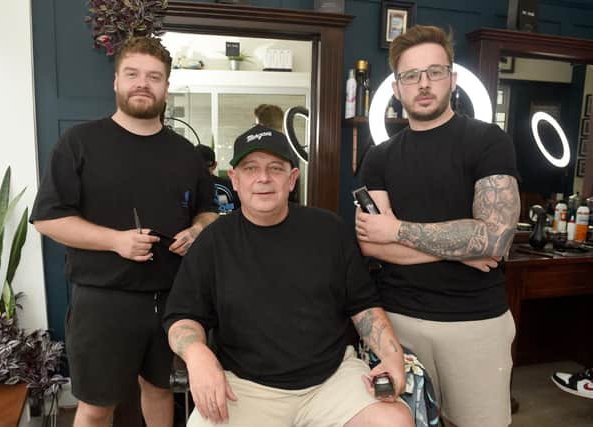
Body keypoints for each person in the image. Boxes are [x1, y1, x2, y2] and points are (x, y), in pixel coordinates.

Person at [164, 124, 413, 427]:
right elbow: (182, 318)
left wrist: (392, 356)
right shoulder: (212, 242)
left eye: (276, 168)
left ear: (292, 179)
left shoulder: (329, 231)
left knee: (394, 421)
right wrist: (196, 355)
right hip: (245, 387)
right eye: (250, 168)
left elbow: (364, 307)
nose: (263, 178)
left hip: (331, 380)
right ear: (235, 180)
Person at [30, 36, 217, 427]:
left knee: (160, 390)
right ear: (116, 82)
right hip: (102, 302)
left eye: (154, 76)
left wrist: (198, 230)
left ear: (166, 87)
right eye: (132, 74)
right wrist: (115, 241)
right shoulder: (79, 143)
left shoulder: (186, 152)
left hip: (171, 302)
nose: (142, 83)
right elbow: (48, 218)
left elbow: (209, 212)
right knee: (97, 407)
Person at [355, 25, 520, 427]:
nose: (423, 84)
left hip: (476, 324)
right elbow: (370, 245)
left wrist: (397, 230)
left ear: (453, 79)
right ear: (396, 88)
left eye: (435, 71)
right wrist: (465, 250)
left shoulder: (488, 141)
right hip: (400, 324)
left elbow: (496, 236)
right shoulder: (379, 157)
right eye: (411, 75)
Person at [194, 144, 240, 214]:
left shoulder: (224, 188)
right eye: (199, 165)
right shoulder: (186, 187)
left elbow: (231, 209)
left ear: (214, 165)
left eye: (207, 165)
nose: (203, 169)